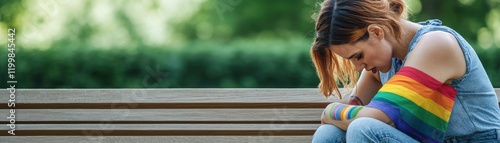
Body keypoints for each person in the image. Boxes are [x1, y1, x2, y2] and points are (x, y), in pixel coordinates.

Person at [309, 0, 500, 142]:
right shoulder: (381, 66)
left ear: (376, 32)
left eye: (358, 56)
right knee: (330, 133)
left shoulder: (437, 44)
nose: (359, 67)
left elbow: (375, 118)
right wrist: (339, 114)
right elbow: (351, 115)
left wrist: (330, 110)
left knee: (363, 128)